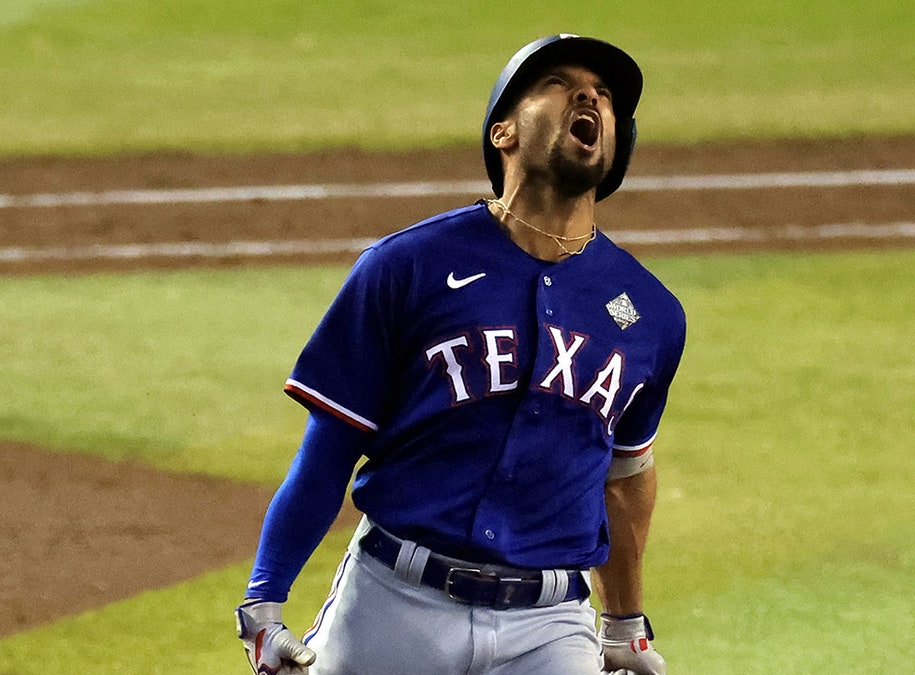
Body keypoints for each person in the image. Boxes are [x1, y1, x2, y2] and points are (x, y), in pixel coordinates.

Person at [236, 34, 685, 675]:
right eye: (557, 83)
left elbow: (624, 478)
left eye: (605, 95)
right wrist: (263, 603)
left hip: (550, 629)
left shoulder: (651, 312)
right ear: (502, 132)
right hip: (394, 605)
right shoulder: (406, 267)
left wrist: (624, 625)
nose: (588, 95)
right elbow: (326, 453)